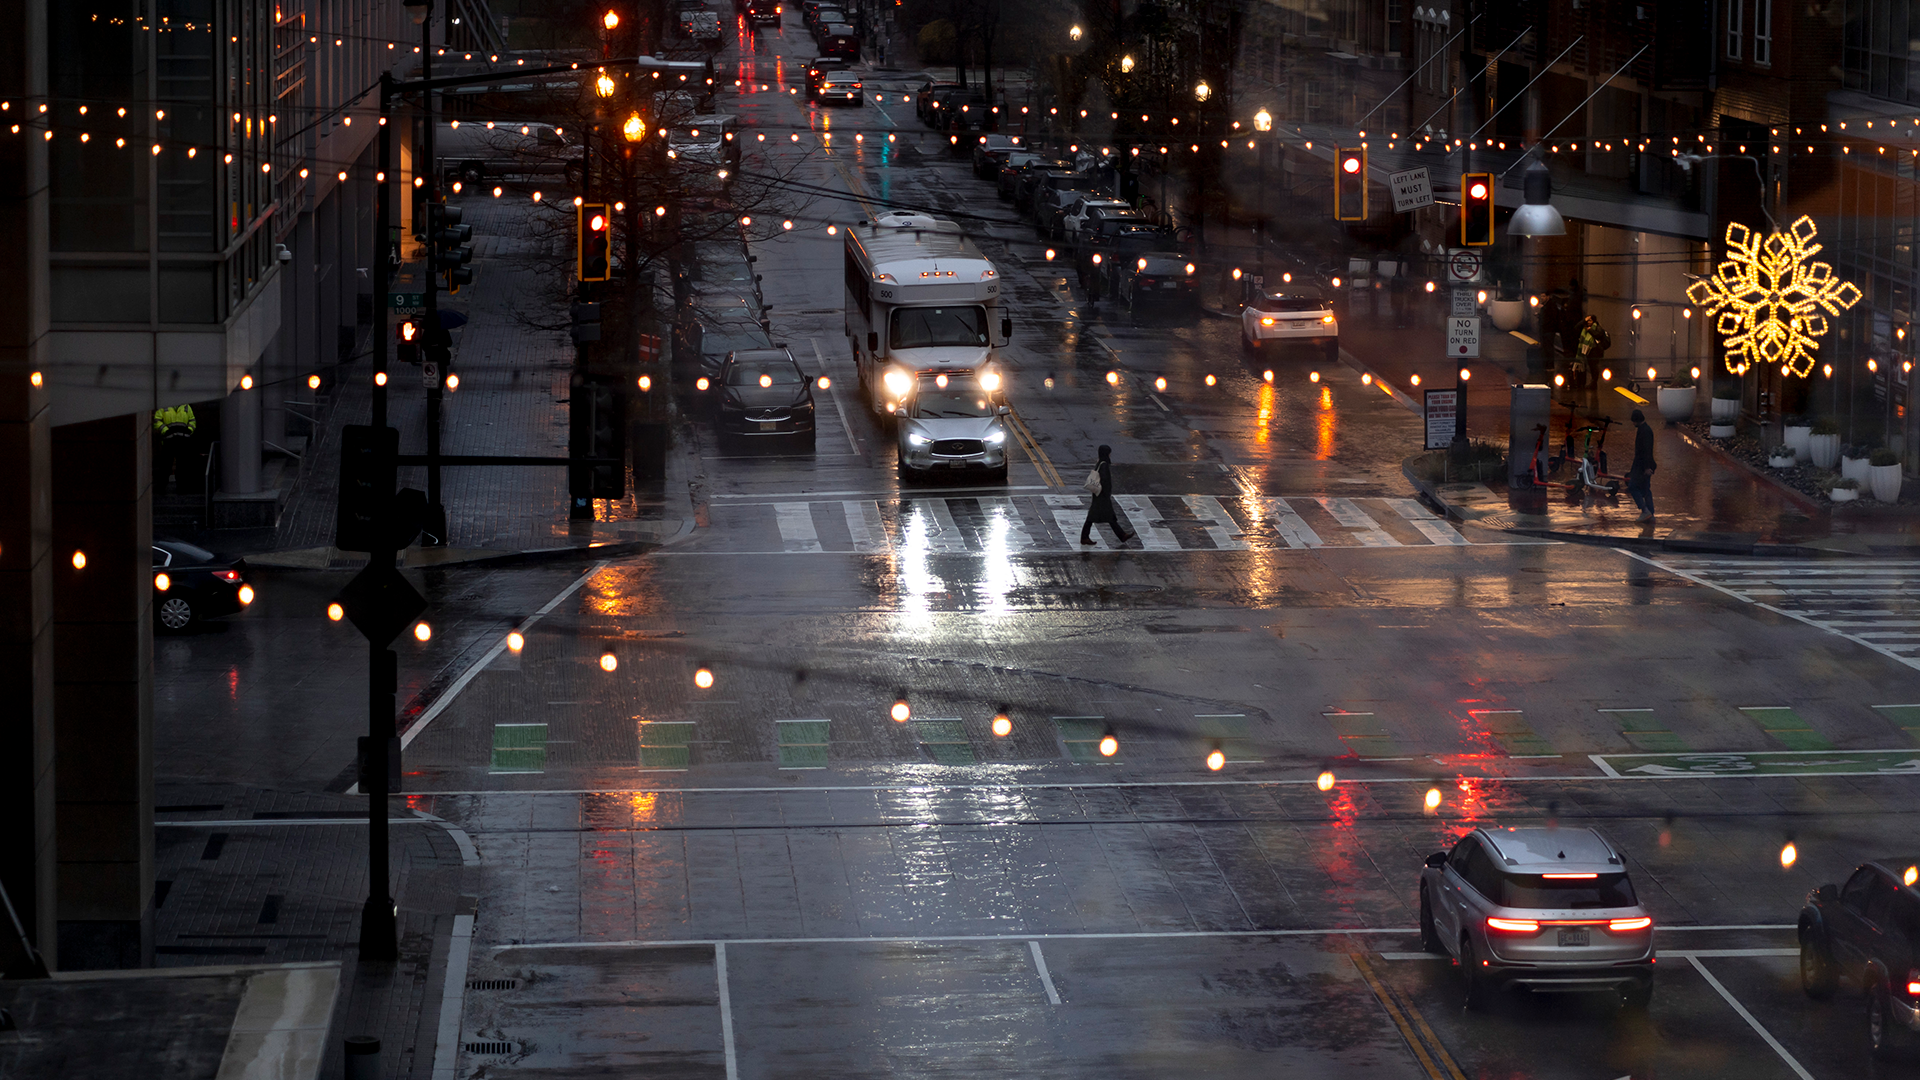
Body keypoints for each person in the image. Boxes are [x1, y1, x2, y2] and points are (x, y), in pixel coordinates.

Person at [1080, 445, 1136, 545]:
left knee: (1106, 517)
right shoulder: (1104, 464)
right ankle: (1084, 537)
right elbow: (1105, 481)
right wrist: (1106, 493)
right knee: (1101, 517)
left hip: (1099, 495)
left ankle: (1122, 535)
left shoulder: (1099, 462)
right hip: (1102, 496)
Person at [152, 403, 197, 494]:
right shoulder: (163, 406)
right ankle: (161, 487)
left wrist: (189, 430)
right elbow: (157, 420)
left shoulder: (186, 407)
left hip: (183, 441)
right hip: (169, 441)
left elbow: (193, 421)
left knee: (182, 466)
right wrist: (166, 431)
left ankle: (182, 488)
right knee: (165, 465)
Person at [1628, 408, 1657, 522]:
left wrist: (1646, 467)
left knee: (1633, 486)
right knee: (1645, 489)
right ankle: (1650, 514)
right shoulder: (1646, 430)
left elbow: (1645, 451)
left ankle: (1645, 511)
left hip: (1641, 466)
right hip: (1644, 465)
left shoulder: (1644, 432)